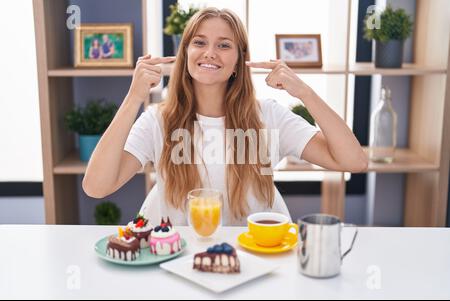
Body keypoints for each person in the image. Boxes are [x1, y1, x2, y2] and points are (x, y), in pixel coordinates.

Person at [82, 7, 367, 226]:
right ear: (185, 54)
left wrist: (305, 92)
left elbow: (353, 161)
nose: (210, 53)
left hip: (255, 257)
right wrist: (134, 97)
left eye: (224, 45)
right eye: (199, 42)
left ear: (238, 62)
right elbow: (96, 186)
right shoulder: (158, 120)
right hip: (174, 257)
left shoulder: (268, 115)